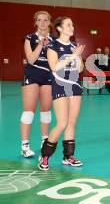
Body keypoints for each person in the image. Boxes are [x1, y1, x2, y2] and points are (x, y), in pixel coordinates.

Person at [39, 17, 85, 171]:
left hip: (75, 86)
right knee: (62, 123)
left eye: (72, 24)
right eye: (68, 24)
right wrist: (73, 56)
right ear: (59, 28)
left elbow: (80, 69)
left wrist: (77, 56)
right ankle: (45, 156)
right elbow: (54, 67)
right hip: (59, 86)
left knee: (71, 123)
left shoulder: (73, 45)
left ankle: (68, 156)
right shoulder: (53, 46)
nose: (72, 27)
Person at [20, 11, 54, 158]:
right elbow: (31, 59)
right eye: (39, 20)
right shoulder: (30, 38)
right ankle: (25, 146)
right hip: (32, 75)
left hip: (48, 76)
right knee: (29, 111)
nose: (42, 23)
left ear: (49, 22)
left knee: (46, 112)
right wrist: (40, 44)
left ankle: (44, 142)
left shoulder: (54, 40)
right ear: (35, 22)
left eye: (45, 20)